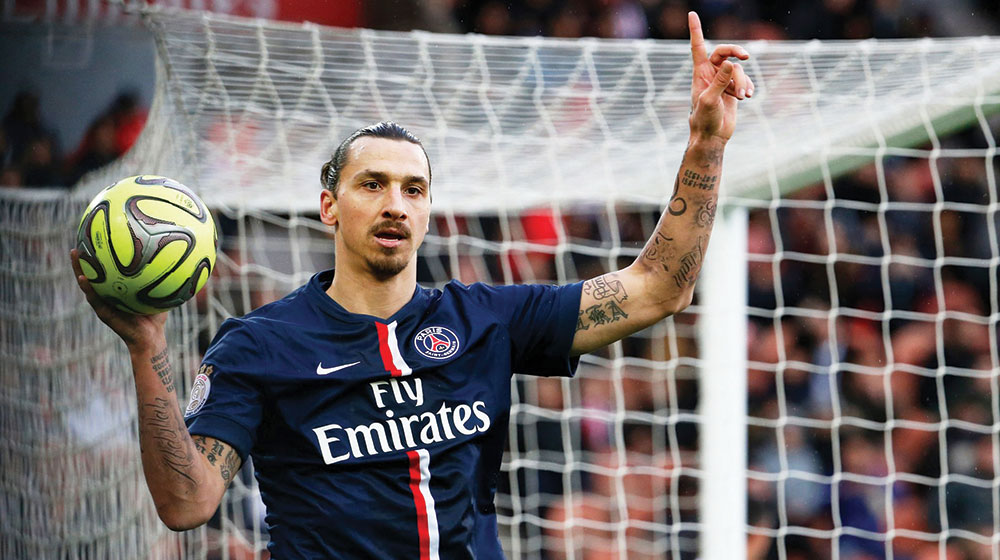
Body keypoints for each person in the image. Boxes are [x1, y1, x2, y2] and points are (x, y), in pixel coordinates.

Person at [70, 12, 753, 559]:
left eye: (413, 189)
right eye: (372, 184)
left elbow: (658, 288)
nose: (395, 204)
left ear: (428, 211)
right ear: (329, 206)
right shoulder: (258, 345)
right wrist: (146, 348)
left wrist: (707, 145)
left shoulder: (487, 319)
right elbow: (187, 503)